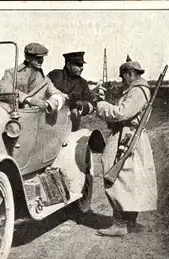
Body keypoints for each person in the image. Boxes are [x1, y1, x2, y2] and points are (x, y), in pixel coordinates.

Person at [93, 58, 157, 236]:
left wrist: (101, 105)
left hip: (127, 136)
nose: (122, 80)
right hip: (130, 136)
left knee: (116, 175)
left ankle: (120, 224)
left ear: (130, 74)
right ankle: (129, 222)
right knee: (130, 178)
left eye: (123, 77)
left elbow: (121, 113)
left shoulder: (137, 92)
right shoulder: (138, 90)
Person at [0, 42, 66, 113]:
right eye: (37, 58)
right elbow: (5, 89)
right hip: (12, 117)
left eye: (42, 57)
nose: (41, 61)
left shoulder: (45, 80)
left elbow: (59, 94)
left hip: (33, 118)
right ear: (27, 58)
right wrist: (28, 100)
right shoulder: (11, 73)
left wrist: (47, 103)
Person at [48, 51, 95, 131]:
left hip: (71, 127)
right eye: (78, 65)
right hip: (50, 126)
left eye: (82, 65)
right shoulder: (54, 75)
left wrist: (81, 106)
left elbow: (91, 105)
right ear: (68, 64)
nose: (82, 67)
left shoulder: (83, 83)